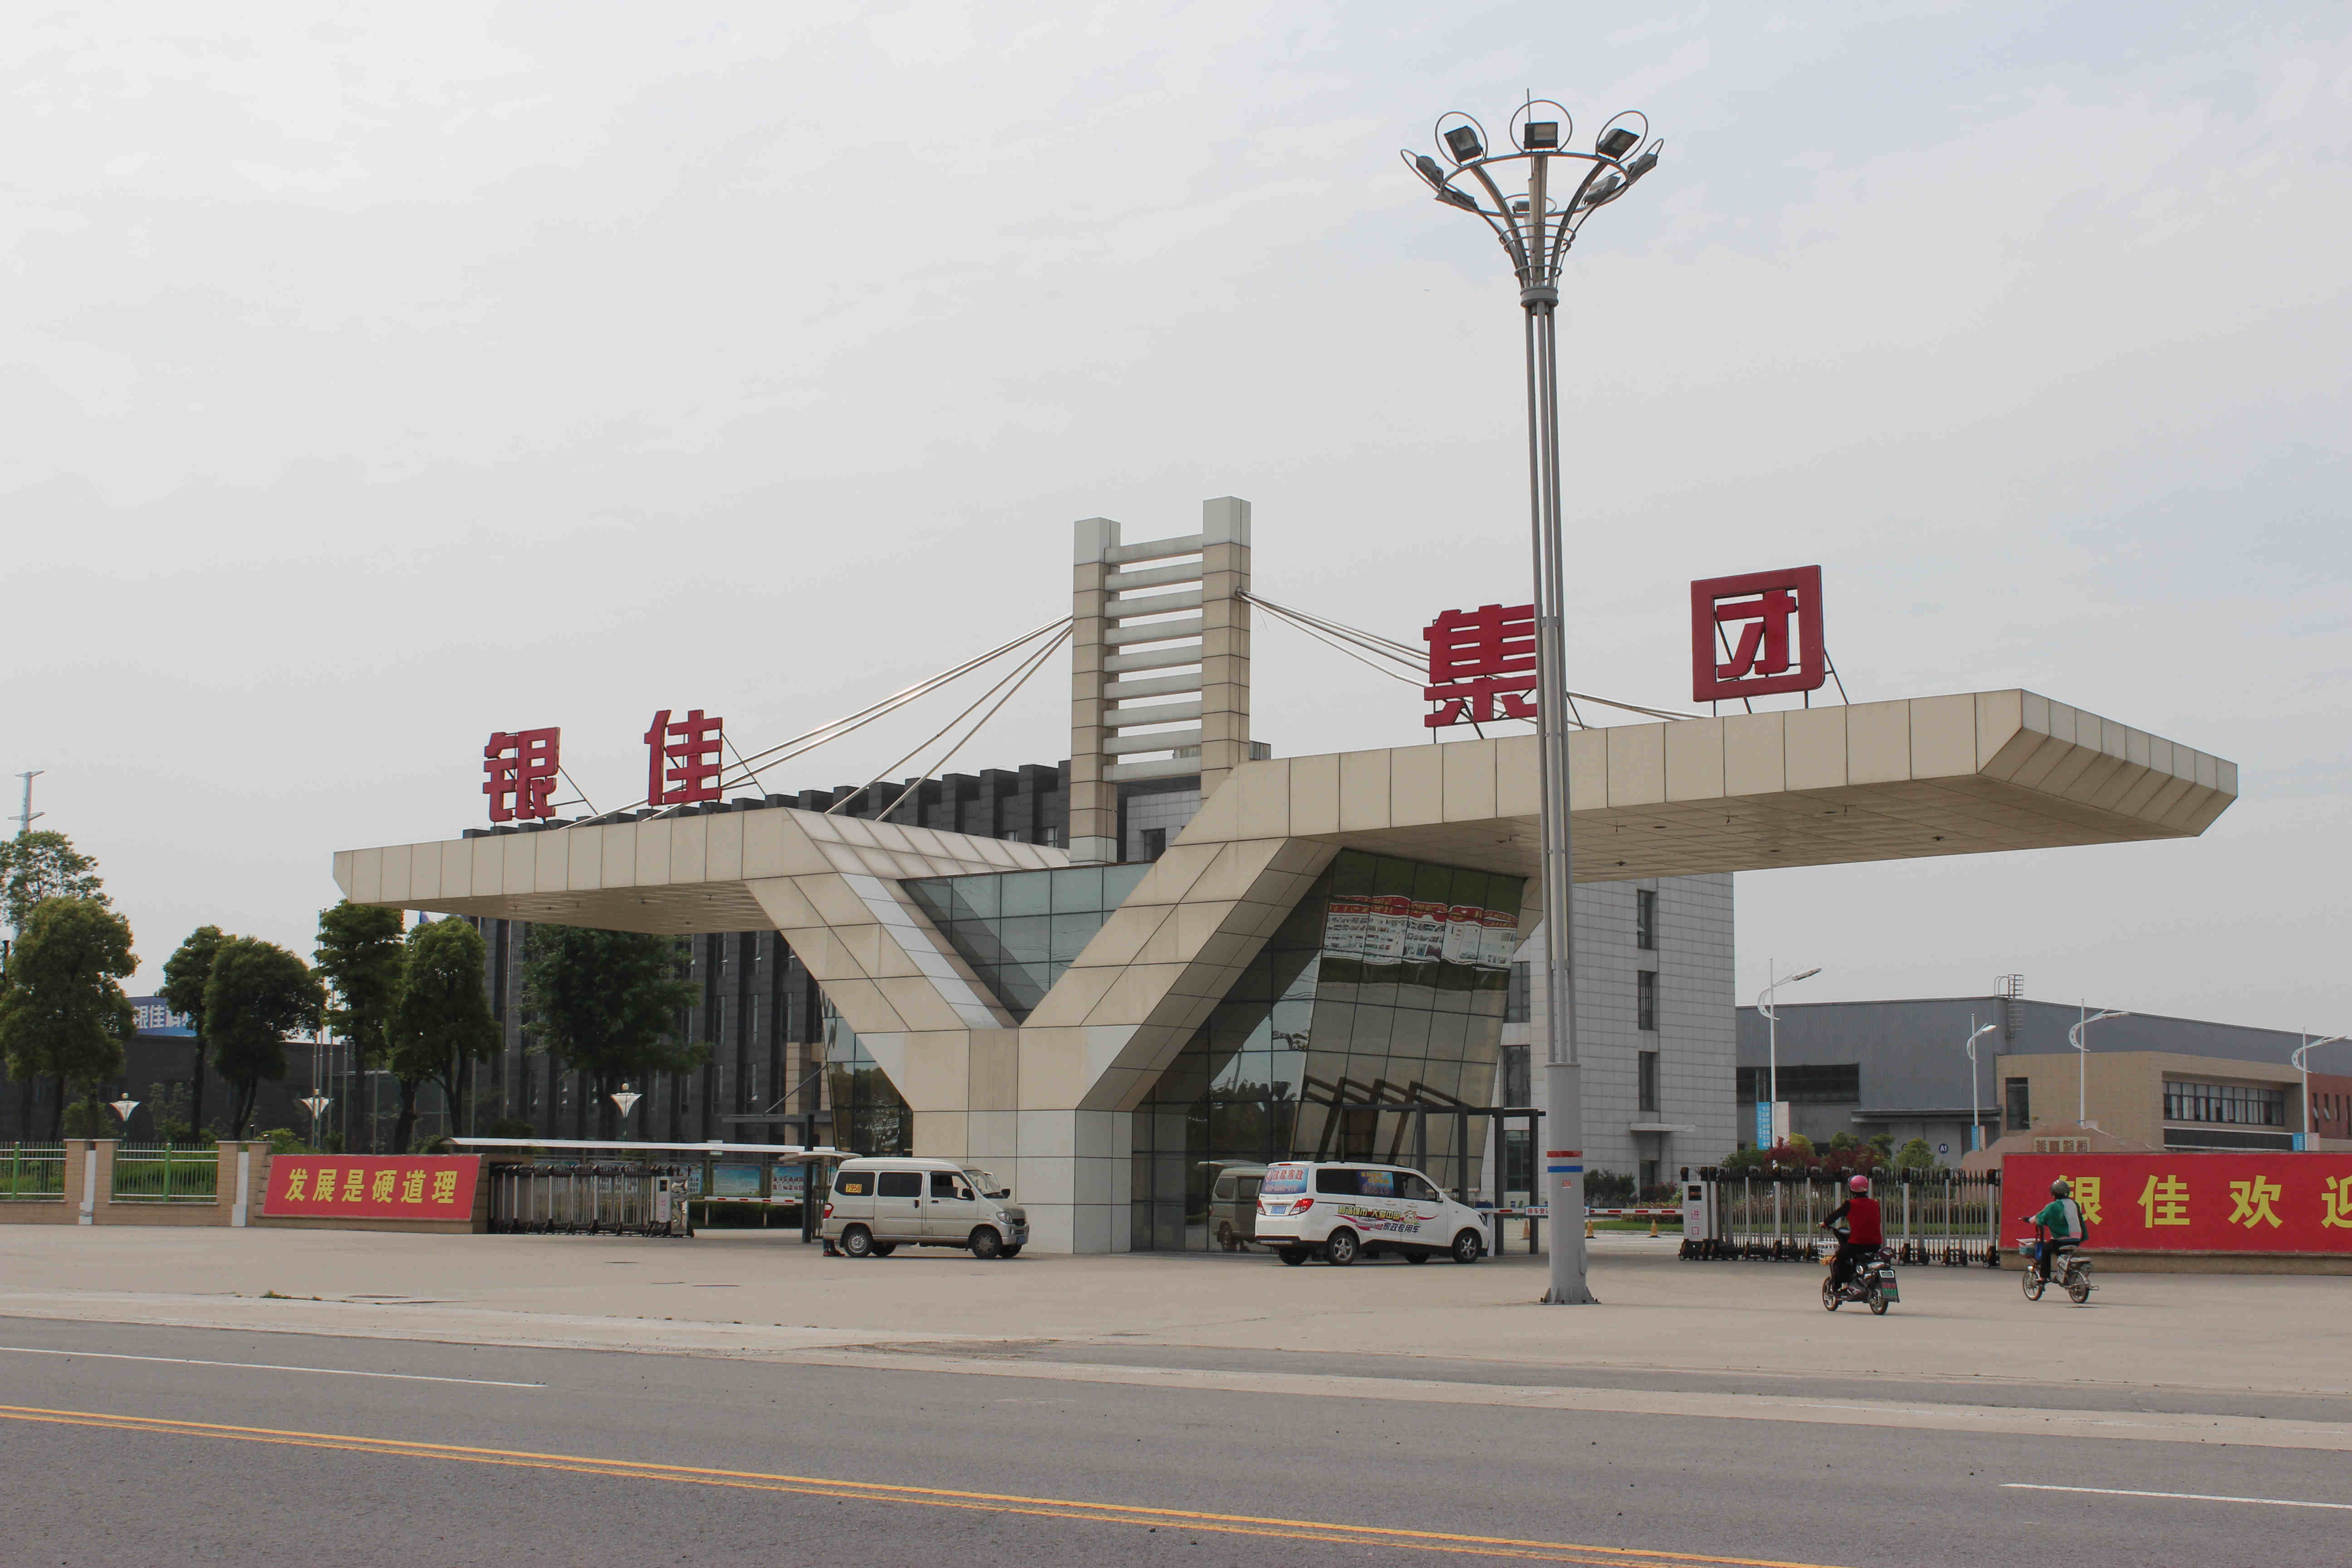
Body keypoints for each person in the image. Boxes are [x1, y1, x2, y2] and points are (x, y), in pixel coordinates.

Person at [1819, 1174, 1883, 1294]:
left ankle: (1838, 1287)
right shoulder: (1875, 1204)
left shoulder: (1850, 1204)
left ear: (1851, 1189)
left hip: (1857, 1244)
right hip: (1876, 1244)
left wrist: (1825, 1223)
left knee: (1840, 1257)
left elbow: (1836, 1215)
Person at [2023, 1178, 2086, 1282]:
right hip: (2077, 1239)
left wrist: (2029, 1220)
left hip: (2062, 1239)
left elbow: (2041, 1217)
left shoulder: (2053, 1206)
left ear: (2054, 1193)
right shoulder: (2074, 1204)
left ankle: (2044, 1276)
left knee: (2046, 1250)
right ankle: (2064, 1275)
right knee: (2060, 1252)